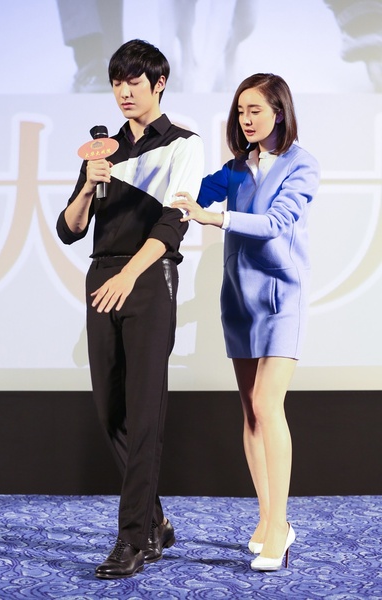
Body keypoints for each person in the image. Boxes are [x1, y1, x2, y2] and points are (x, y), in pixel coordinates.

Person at [56, 39, 204, 579]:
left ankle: (132, 539)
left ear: (158, 84)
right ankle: (156, 520)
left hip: (148, 276)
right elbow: (69, 229)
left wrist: (129, 275)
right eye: (116, 82)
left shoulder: (183, 144)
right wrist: (86, 188)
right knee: (110, 412)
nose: (123, 91)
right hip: (102, 276)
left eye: (134, 81)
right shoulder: (104, 151)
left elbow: (172, 224)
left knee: (144, 414)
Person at [173, 73, 320, 572]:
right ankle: (266, 515)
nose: (246, 119)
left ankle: (280, 524)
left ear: (279, 110)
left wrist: (215, 218)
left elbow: (276, 224)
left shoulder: (302, 165)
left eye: (255, 109)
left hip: (281, 299)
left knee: (266, 403)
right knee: (250, 413)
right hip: (238, 300)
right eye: (240, 111)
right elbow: (190, 192)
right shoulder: (237, 168)